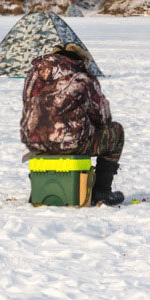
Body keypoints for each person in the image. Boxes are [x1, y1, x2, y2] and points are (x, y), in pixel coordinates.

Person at [20, 43, 124, 205]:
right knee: (116, 132)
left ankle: (43, 188)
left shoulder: (33, 76)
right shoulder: (82, 78)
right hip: (71, 143)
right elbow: (102, 116)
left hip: (36, 143)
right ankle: (101, 191)